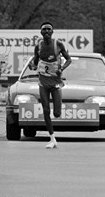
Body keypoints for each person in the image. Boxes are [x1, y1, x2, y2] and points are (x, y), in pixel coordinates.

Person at [28, 21, 72, 149]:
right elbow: (36, 62)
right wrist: (32, 66)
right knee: (46, 110)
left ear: (52, 32)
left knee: (57, 113)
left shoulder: (58, 44)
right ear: (40, 32)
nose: (46, 32)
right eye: (44, 30)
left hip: (55, 81)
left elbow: (69, 59)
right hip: (43, 81)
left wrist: (62, 68)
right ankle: (52, 138)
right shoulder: (38, 46)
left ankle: (56, 116)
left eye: (49, 29)